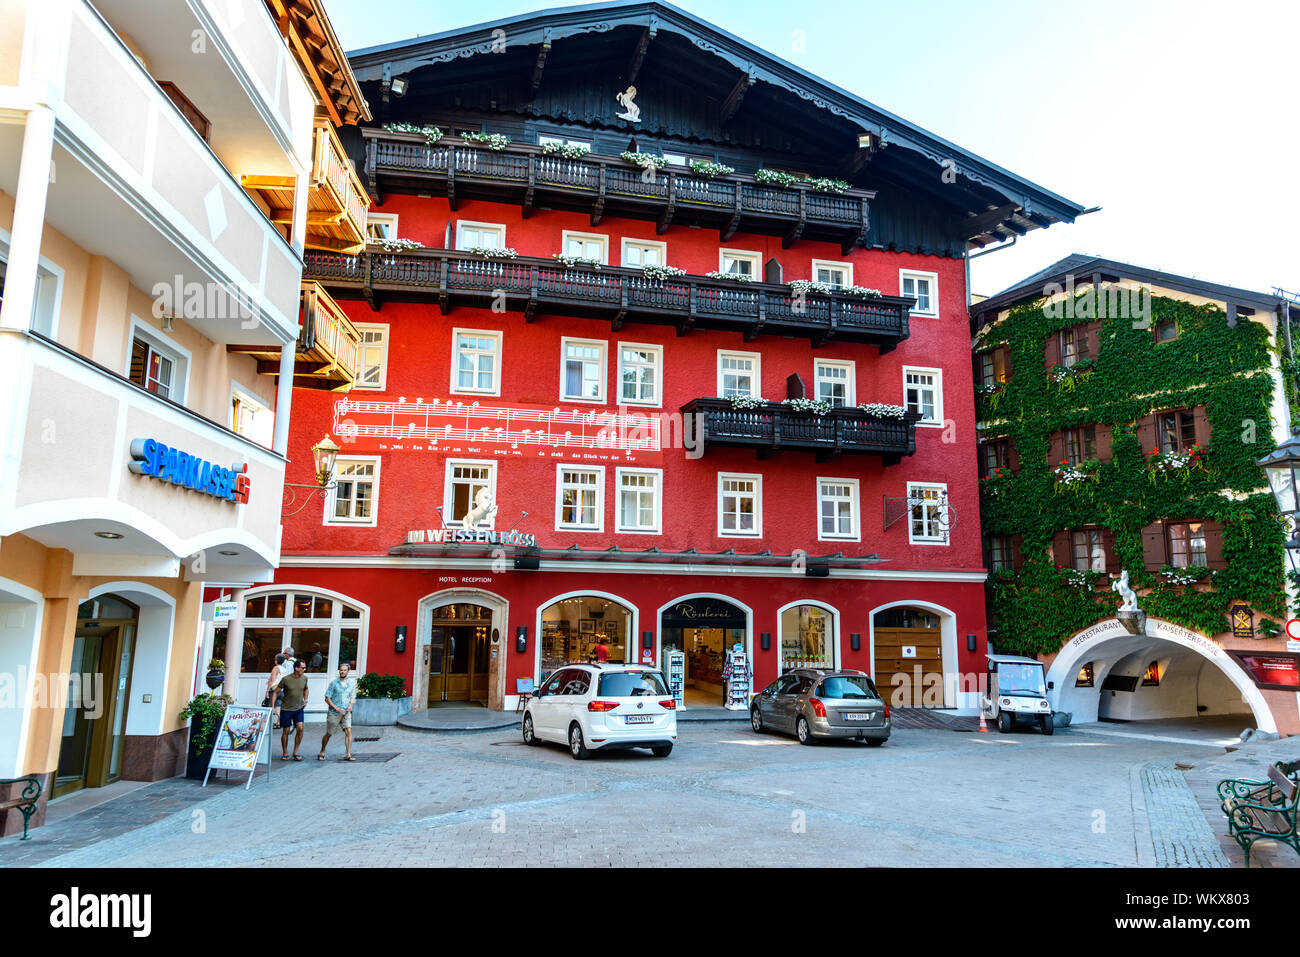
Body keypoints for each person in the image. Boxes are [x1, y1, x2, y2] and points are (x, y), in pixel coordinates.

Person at [319, 663, 356, 761]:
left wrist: (350, 705)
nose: (342, 672)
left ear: (348, 672)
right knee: (329, 733)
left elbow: (353, 696)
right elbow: (327, 698)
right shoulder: (334, 683)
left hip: (346, 711)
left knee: (348, 730)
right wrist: (336, 708)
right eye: (341, 670)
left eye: (344, 670)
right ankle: (322, 751)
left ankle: (348, 754)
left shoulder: (351, 684)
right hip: (334, 712)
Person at [277, 659, 310, 760]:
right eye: (303, 668)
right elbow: (275, 692)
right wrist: (274, 708)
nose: (304, 669)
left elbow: (306, 688)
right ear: (296, 668)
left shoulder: (304, 678)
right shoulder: (286, 679)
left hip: (299, 708)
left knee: (300, 728)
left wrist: (306, 700)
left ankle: (296, 751)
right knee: (286, 731)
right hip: (286, 709)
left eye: (305, 668)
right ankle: (285, 752)